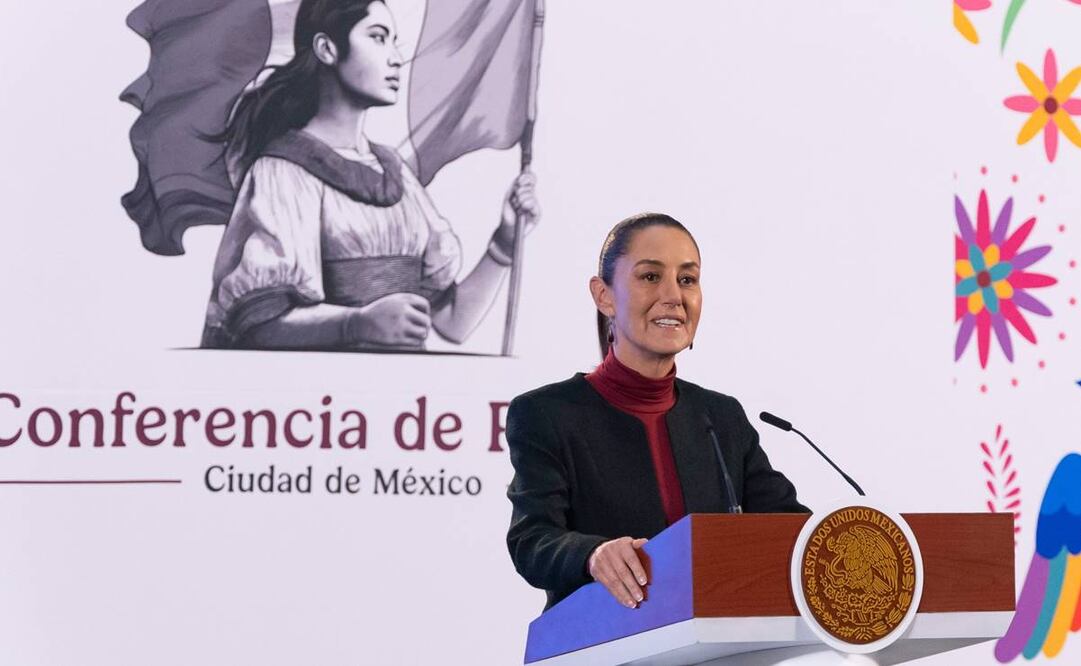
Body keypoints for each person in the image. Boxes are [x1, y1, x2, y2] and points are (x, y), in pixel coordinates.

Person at [505, 213, 807, 611]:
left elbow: (790, 529)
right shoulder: (546, 413)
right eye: (650, 277)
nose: (673, 296)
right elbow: (533, 539)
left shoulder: (721, 416)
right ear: (604, 295)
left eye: (687, 280)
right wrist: (593, 555)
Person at [200, 0, 539, 350]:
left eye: (394, 42)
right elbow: (258, 327)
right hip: (326, 399)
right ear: (326, 49)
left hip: (405, 399)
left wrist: (504, 240)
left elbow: (453, 323)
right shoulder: (283, 172)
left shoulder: (396, 175)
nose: (395, 58)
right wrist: (356, 324)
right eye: (378, 38)